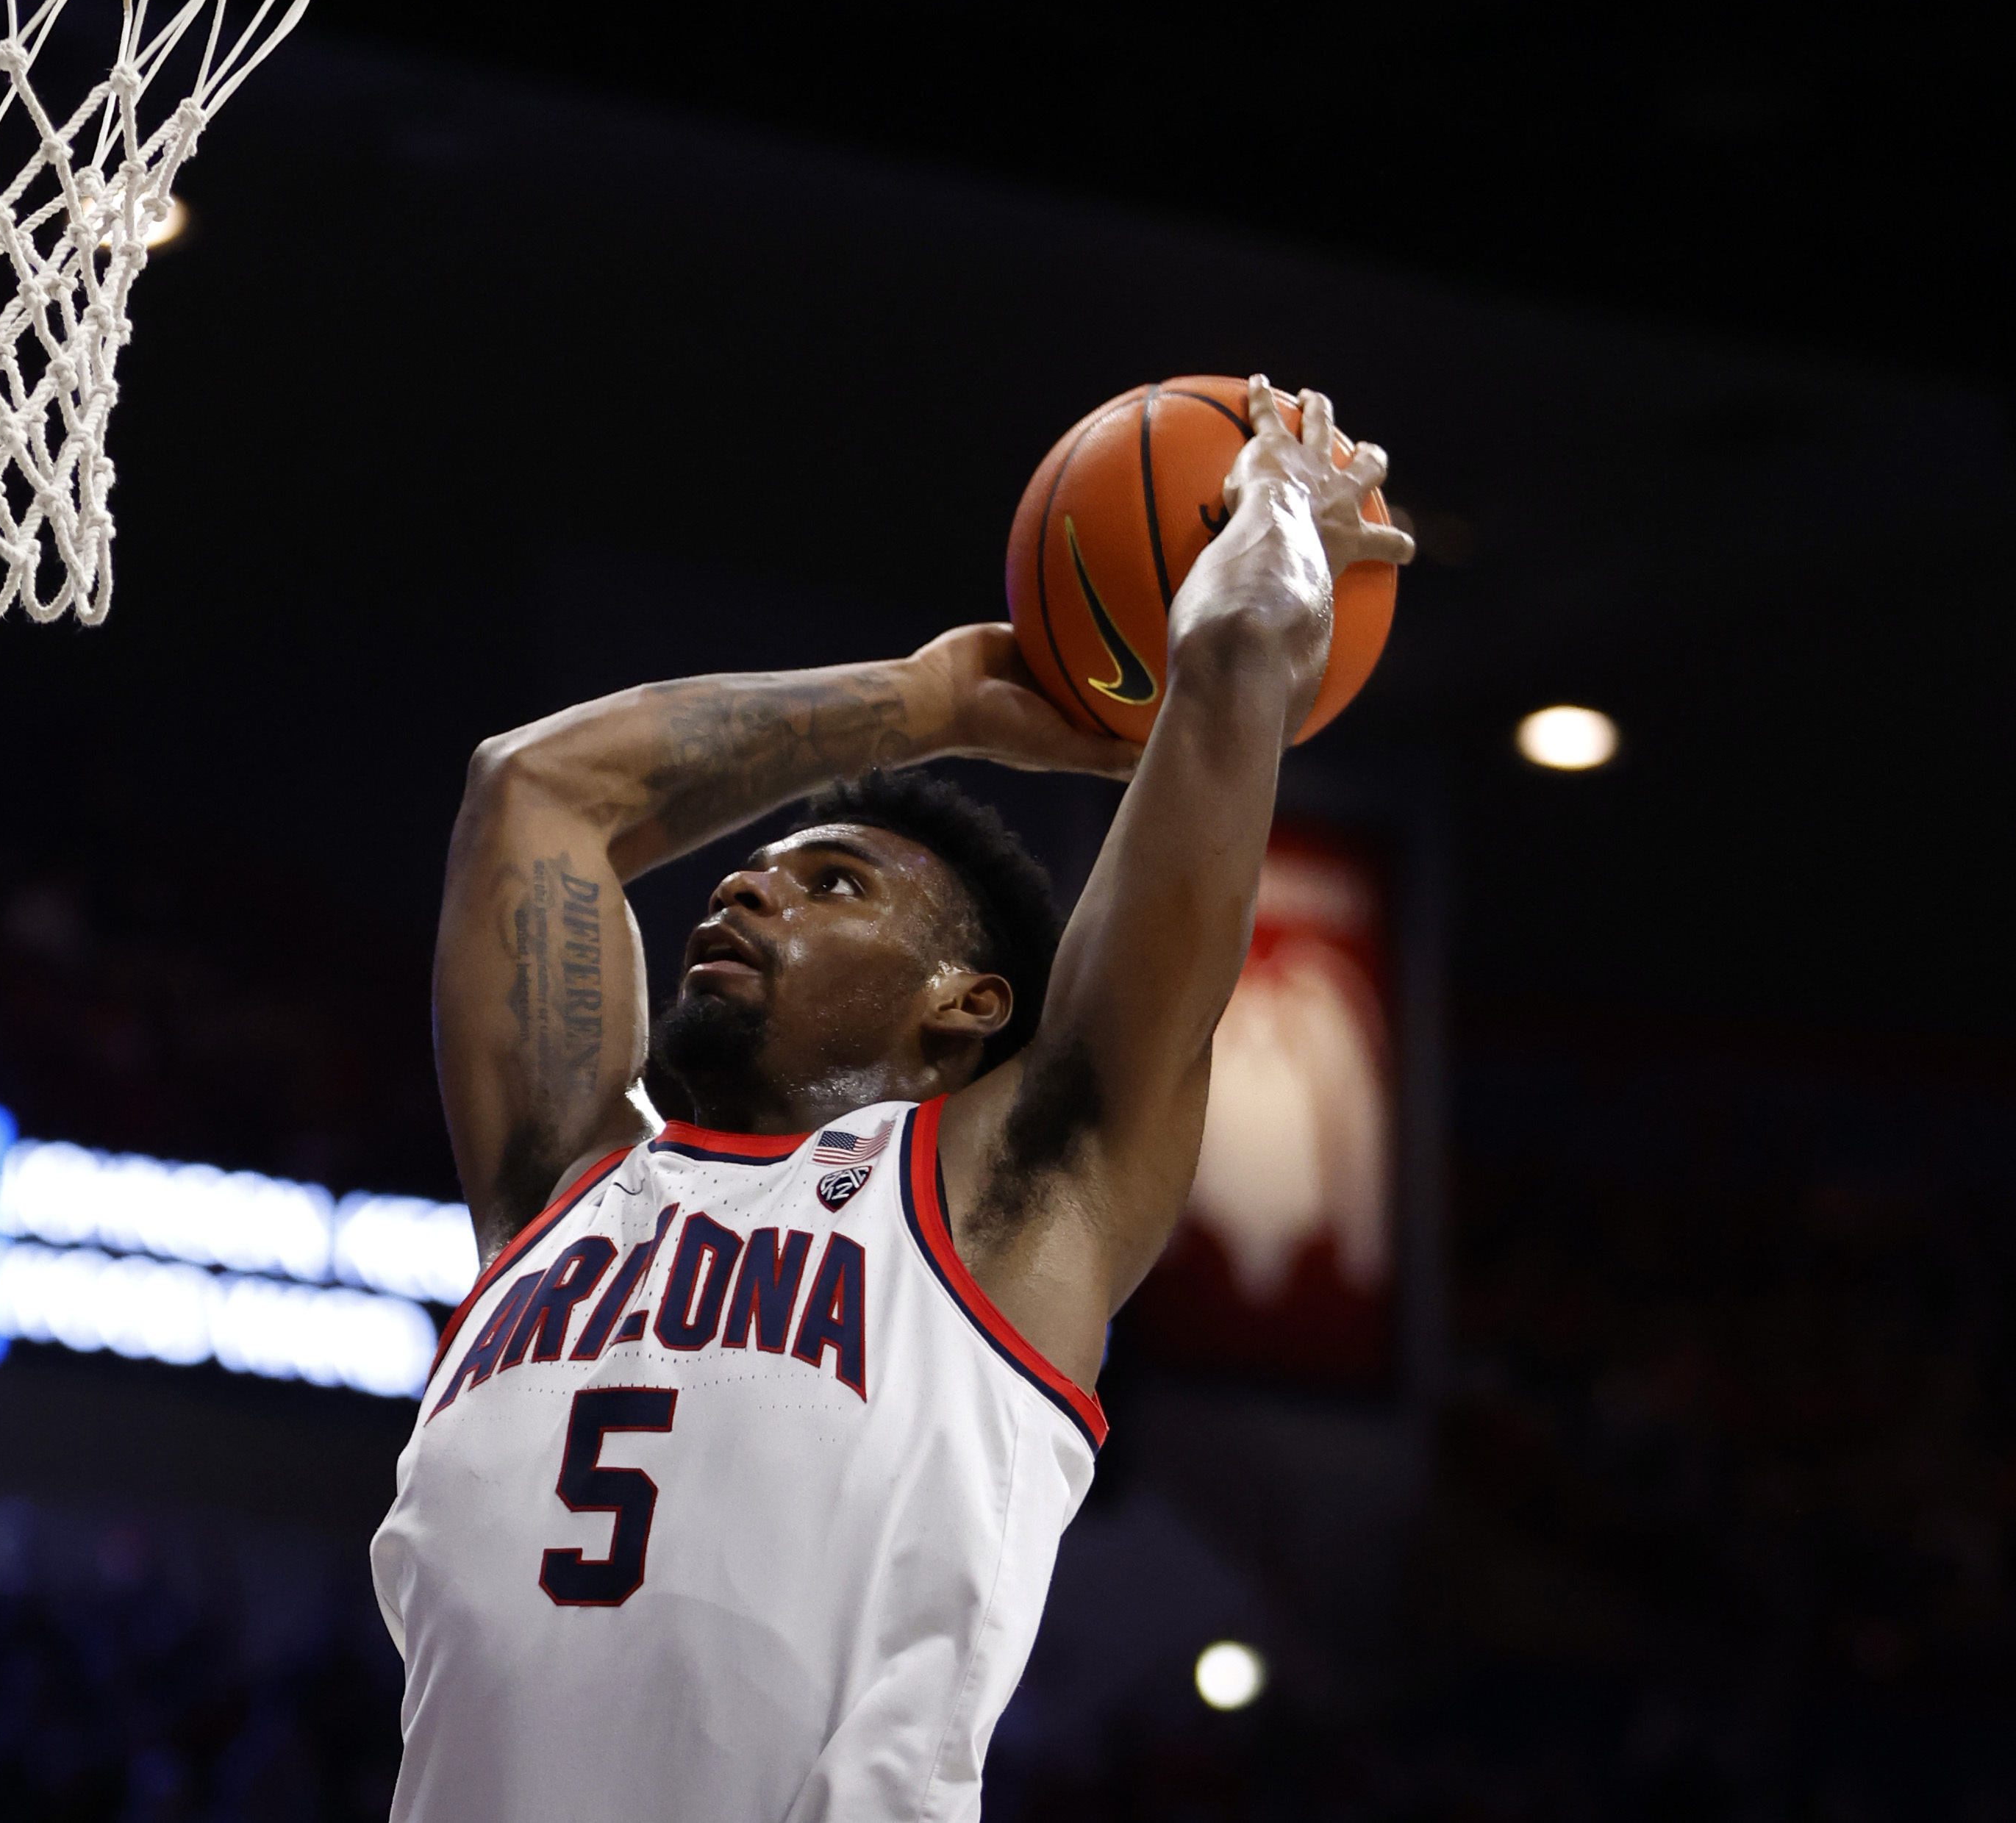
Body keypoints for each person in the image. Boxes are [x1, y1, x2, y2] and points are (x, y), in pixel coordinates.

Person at [369, 379, 1414, 1820]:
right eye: (762, 868)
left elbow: (1235, 654)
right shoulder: (563, 1192)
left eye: (835, 883)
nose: (747, 881)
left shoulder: (1014, 1195)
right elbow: (536, 787)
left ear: (968, 1003)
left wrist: (1281, 507)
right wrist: (928, 701)